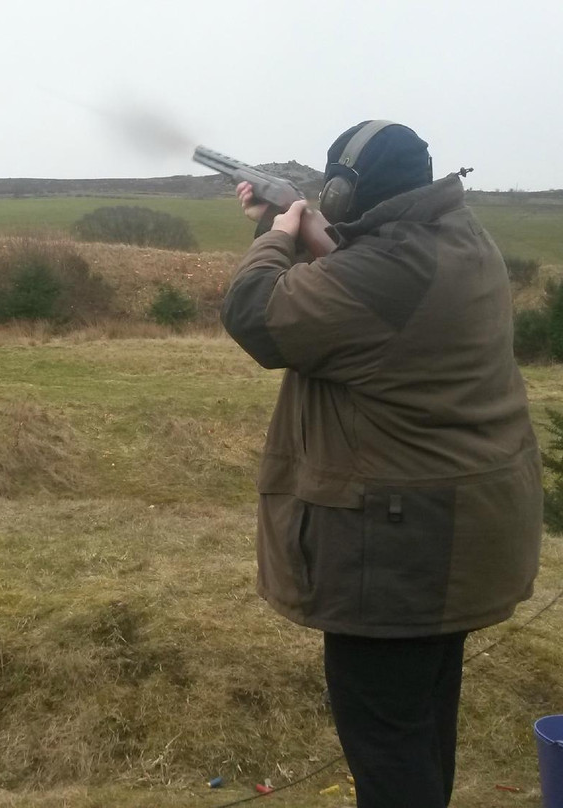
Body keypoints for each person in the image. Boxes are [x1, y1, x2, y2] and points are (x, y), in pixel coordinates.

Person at [221, 120, 542, 808]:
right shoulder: (455, 236)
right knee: (419, 732)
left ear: (343, 189)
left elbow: (256, 313)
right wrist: (285, 226)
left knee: (388, 749)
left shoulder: (389, 269)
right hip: (456, 535)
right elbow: (348, 287)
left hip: (395, 551)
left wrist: (279, 234)